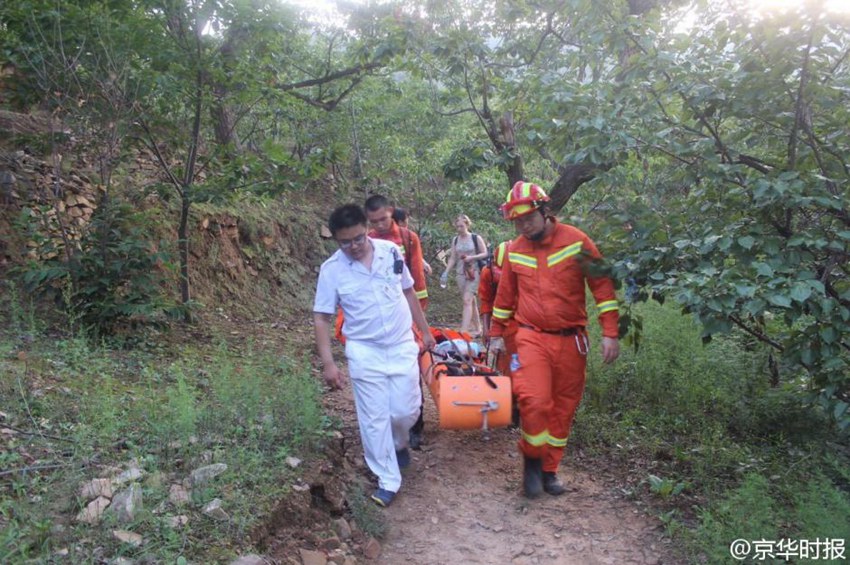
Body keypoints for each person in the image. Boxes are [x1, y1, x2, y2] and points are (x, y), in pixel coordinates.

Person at [489, 181, 620, 498]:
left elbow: (603, 286)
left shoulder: (577, 242)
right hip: (531, 338)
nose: (523, 225)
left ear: (544, 211)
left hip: (572, 341)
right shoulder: (516, 250)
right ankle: (532, 463)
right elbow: (505, 297)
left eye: (528, 218)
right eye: (517, 221)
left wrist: (610, 332)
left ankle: (549, 471)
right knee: (533, 402)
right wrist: (495, 334)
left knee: (563, 409)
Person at [313, 204, 436, 507]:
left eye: (358, 239)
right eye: (345, 242)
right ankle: (387, 480)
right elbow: (322, 318)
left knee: (406, 411)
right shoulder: (332, 270)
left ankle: (398, 441)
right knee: (374, 419)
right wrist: (329, 363)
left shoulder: (390, 252)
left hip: (400, 345)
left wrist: (426, 330)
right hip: (364, 352)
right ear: (336, 240)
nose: (353, 247)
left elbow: (408, 291)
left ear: (366, 230)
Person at [365, 195, 429, 450]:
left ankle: (417, 426)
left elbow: (417, 281)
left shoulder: (408, 238)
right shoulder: (366, 241)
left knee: (411, 369)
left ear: (391, 212)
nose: (380, 224)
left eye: (383, 218)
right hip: (378, 318)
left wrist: (419, 322)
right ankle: (389, 429)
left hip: (405, 315)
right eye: (374, 220)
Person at [440, 214, 488, 336]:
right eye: (457, 226)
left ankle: (463, 331)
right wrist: (446, 271)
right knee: (470, 301)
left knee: (467, 300)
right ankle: (478, 328)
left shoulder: (475, 238)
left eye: (461, 226)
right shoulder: (455, 240)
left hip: (474, 272)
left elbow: (485, 253)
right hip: (460, 273)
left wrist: (472, 257)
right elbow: (453, 258)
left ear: (467, 225)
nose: (459, 229)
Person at [478, 240, 517, 376]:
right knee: (501, 356)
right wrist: (486, 329)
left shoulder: (523, 274)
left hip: (518, 319)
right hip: (499, 318)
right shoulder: (487, 273)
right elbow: (486, 302)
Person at [392, 207, 433, 275]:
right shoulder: (405, 237)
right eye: (406, 219)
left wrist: (422, 262)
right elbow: (403, 252)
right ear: (400, 222)